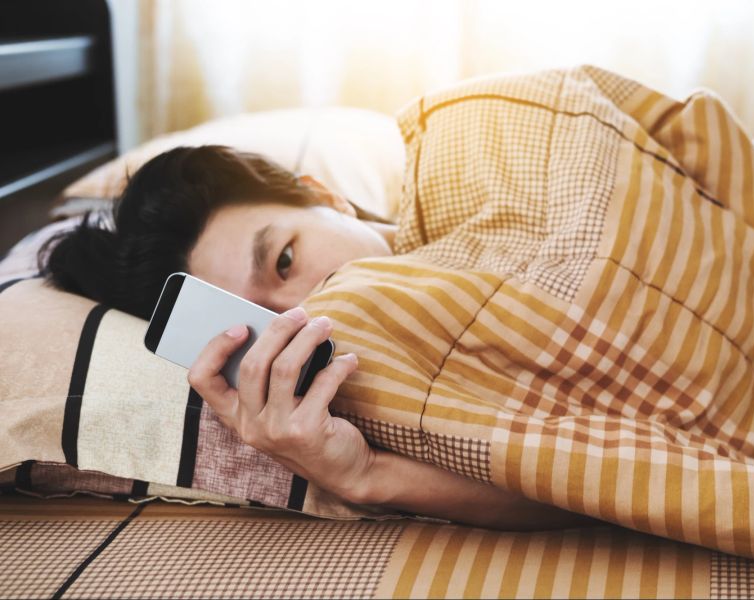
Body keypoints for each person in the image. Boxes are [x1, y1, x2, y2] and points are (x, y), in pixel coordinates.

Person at [40, 145, 597, 531]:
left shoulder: (491, 186)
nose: (301, 315)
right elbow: (594, 492)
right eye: (261, 329)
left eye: (284, 260)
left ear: (323, 195)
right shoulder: (365, 394)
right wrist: (364, 476)